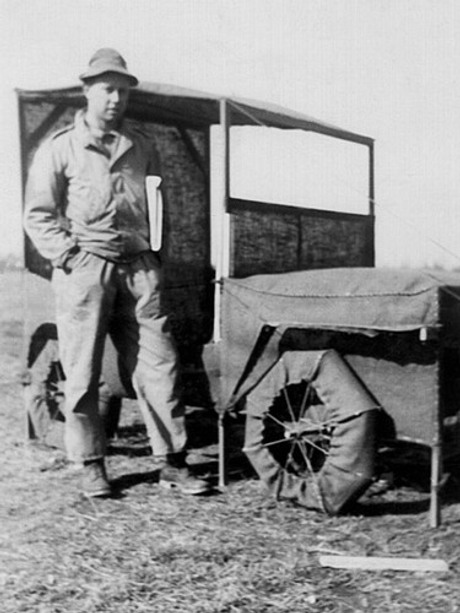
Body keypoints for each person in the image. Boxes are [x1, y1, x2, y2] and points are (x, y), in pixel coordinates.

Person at [23, 48, 209, 498]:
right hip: (86, 269)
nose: (116, 99)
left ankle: (172, 462)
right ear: (87, 91)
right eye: (107, 89)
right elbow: (38, 215)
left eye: (123, 91)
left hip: (139, 271)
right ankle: (91, 464)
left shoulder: (142, 146)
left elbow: (159, 205)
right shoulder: (61, 147)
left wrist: (154, 256)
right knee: (83, 371)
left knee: (159, 365)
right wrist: (70, 258)